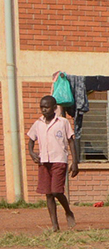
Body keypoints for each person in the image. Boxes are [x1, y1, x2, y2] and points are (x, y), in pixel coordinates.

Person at [28, 95, 78, 231]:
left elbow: (71, 141)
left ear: (55, 108)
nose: (44, 110)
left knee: (56, 191)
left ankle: (68, 211)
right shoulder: (38, 123)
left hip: (59, 160)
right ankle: (55, 226)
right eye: (42, 107)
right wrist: (32, 153)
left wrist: (75, 162)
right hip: (44, 161)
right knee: (48, 194)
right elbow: (31, 140)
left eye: (47, 107)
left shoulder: (63, 122)